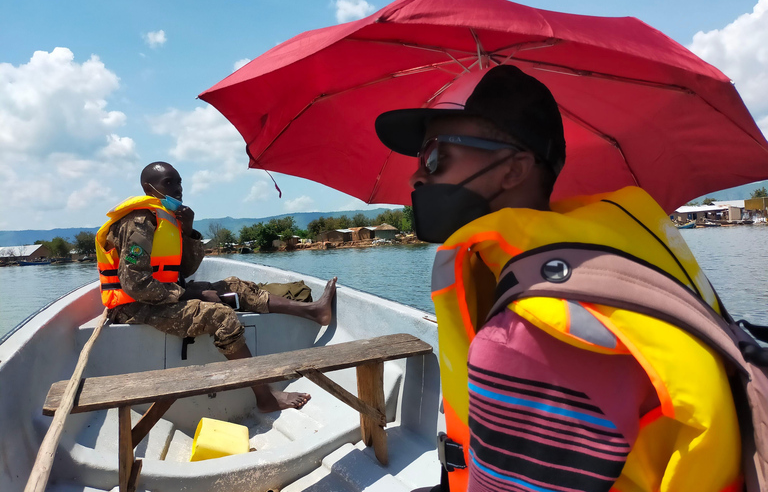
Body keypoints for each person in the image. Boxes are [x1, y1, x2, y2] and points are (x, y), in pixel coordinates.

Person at [375, 66, 742, 492]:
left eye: (435, 156)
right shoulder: (614, 262)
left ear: (513, 171)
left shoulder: (528, 333)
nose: (416, 176)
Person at [96, 161, 337, 412]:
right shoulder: (138, 221)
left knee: (235, 286)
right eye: (169, 183)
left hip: (164, 295)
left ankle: (313, 311)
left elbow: (186, 270)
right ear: (148, 187)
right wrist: (191, 293)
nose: (178, 188)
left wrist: (188, 231)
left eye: (179, 182)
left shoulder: (168, 217)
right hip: (135, 306)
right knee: (221, 315)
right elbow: (135, 284)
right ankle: (265, 396)